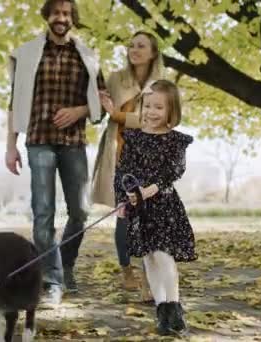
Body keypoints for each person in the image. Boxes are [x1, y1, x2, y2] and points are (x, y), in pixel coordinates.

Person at [5, 0, 106, 305]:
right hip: (39, 140)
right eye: (56, 13)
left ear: (72, 19)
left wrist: (79, 111)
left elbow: (102, 102)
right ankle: (52, 279)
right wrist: (10, 146)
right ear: (47, 17)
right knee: (43, 213)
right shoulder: (27, 54)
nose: (61, 18)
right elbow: (15, 103)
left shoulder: (87, 55)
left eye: (66, 14)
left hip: (74, 141)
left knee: (81, 211)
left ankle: (65, 263)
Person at [114, 80, 196, 336]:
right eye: (147, 106)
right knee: (149, 257)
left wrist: (153, 187)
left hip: (164, 206)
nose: (151, 112)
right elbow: (123, 171)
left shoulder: (175, 141)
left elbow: (175, 170)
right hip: (139, 208)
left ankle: (174, 307)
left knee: (163, 254)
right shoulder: (134, 137)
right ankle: (162, 310)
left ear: (171, 111)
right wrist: (123, 198)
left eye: (158, 107)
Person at [91, 31, 163, 298]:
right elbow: (99, 114)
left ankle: (148, 278)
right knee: (124, 216)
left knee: (148, 218)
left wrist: (117, 114)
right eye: (131, 45)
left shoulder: (162, 84)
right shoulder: (116, 79)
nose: (134, 49)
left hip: (149, 157)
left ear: (153, 52)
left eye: (141, 46)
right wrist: (97, 102)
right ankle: (126, 270)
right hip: (119, 154)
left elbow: (155, 121)